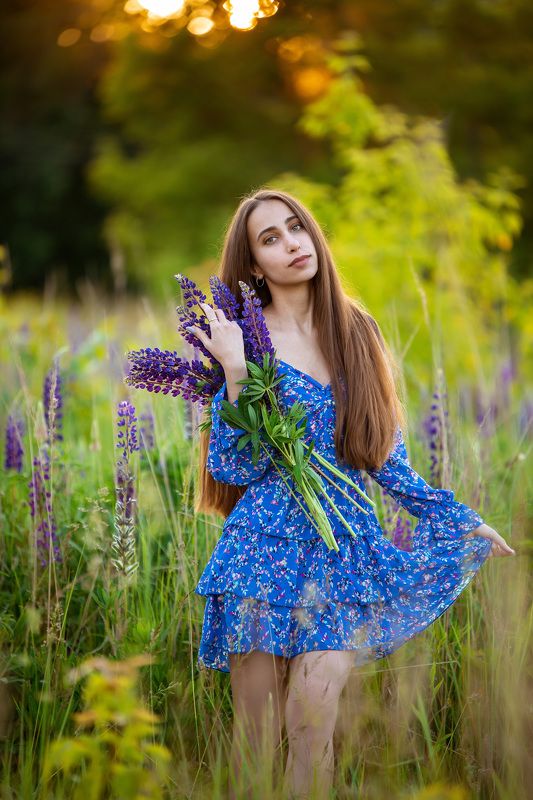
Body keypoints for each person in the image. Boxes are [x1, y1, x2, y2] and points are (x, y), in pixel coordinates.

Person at [186, 188, 516, 799]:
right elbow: (232, 465)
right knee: (255, 740)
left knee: (312, 719)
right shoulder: (244, 341)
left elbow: (385, 456)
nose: (291, 244)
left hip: (342, 552)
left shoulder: (355, 329)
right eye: (270, 239)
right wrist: (233, 374)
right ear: (254, 264)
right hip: (260, 551)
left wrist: (459, 519)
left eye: (296, 228)